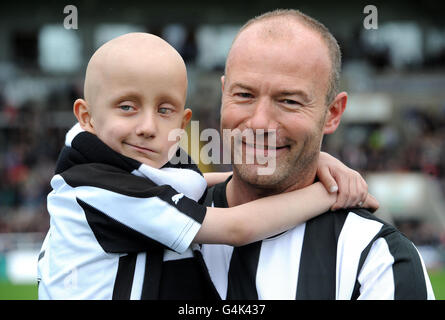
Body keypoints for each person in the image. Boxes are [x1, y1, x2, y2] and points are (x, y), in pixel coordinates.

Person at [37, 32, 376, 300]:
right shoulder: (95, 187)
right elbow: (235, 229)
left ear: (184, 122)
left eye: (165, 110)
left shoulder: (135, 163)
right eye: (127, 107)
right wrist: (328, 194)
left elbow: (199, 182)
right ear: (86, 117)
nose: (147, 126)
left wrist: (311, 162)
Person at [201, 9, 435, 300]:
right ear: (224, 95)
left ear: (332, 114)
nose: (259, 122)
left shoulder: (378, 261)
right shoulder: (156, 221)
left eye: (288, 101)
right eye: (244, 95)